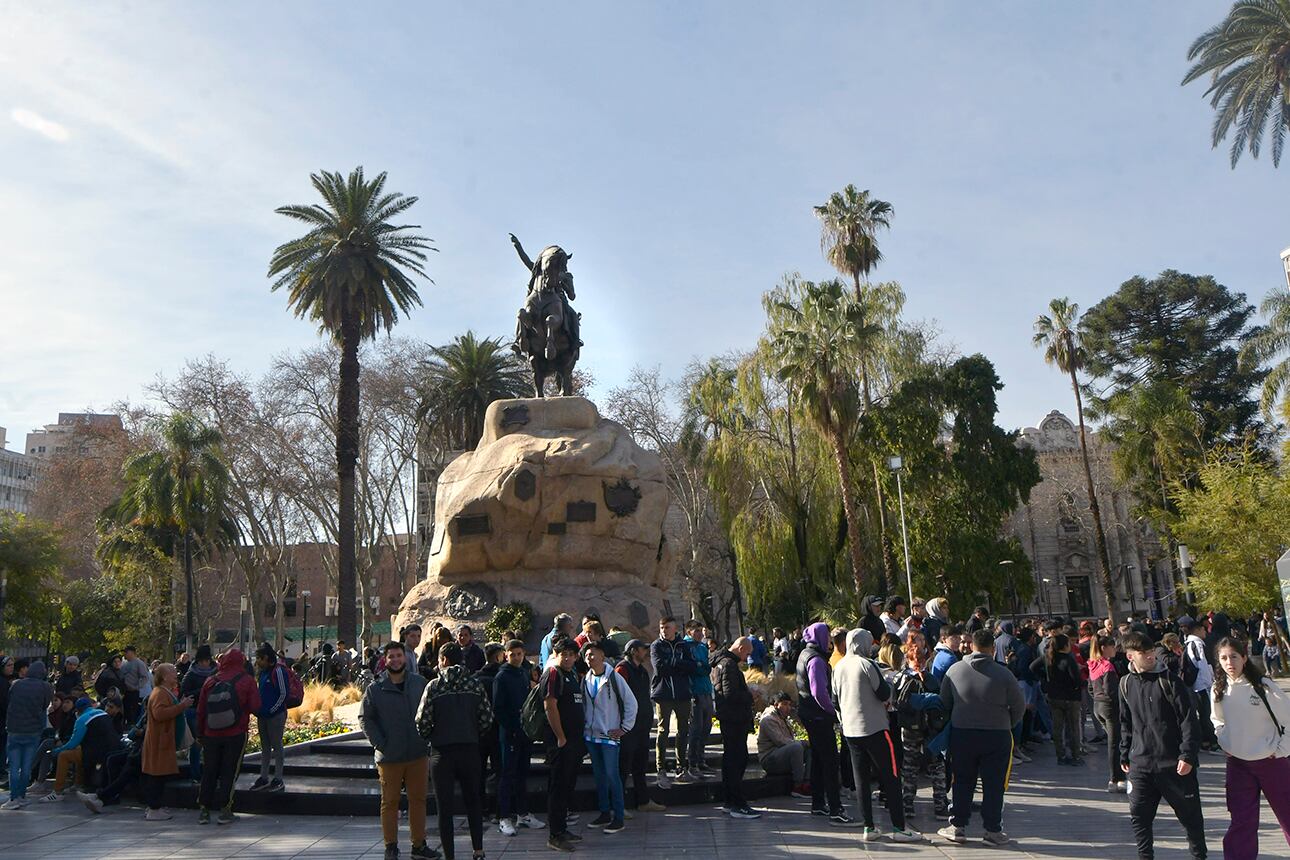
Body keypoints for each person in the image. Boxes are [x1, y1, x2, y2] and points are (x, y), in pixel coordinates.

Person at [1119, 632, 1206, 860]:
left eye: (1151, 652)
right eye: (1143, 653)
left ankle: (1199, 856)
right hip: (1141, 764)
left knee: (1191, 818)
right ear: (1130, 656)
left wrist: (1187, 755)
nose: (1150, 657)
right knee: (1139, 816)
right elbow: (1125, 722)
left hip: (1174, 764)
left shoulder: (1169, 681)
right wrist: (1124, 753)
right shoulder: (1125, 683)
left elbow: (1189, 720)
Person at [936, 629, 1025, 847]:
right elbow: (1019, 705)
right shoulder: (1004, 674)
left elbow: (944, 703)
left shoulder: (954, 671)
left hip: (962, 733)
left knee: (962, 781)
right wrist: (1007, 723)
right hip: (997, 735)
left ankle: (958, 826)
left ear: (971, 646)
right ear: (992, 649)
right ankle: (993, 830)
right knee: (994, 783)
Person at [834, 628, 921, 841]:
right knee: (891, 775)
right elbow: (883, 692)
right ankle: (899, 828)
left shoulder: (838, 667)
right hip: (874, 727)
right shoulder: (867, 664)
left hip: (851, 730)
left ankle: (869, 827)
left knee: (861, 779)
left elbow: (835, 700)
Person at [1211, 636, 1290, 858]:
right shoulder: (1218, 688)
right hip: (1238, 764)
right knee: (1241, 822)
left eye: (1234, 657)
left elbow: (1288, 719)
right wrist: (1225, 741)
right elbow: (1217, 720)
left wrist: (1280, 749)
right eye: (1224, 658)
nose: (1229, 662)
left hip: (1271, 762)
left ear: (1244, 657)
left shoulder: (1264, 686)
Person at [359, 641, 437, 860]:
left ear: (406, 658)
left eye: (399, 656)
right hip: (389, 755)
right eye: (391, 656)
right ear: (385, 660)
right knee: (390, 802)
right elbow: (365, 718)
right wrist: (380, 743)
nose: (395, 660)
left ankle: (419, 845)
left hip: (417, 753)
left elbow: (431, 710)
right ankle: (390, 845)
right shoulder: (375, 688)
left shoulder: (419, 683)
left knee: (418, 800)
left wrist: (427, 737)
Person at [417, 641, 491, 860]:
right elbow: (487, 718)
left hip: (442, 753)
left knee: (445, 808)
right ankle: (478, 850)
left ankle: (450, 855)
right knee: (473, 802)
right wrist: (473, 734)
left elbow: (421, 721)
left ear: (444, 660)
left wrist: (433, 736)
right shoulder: (475, 685)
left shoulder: (434, 686)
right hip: (469, 750)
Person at [195, 647, 260, 824]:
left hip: (211, 733)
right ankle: (225, 810)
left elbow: (201, 711)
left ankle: (204, 810)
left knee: (209, 770)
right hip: (235, 733)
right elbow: (255, 706)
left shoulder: (210, 681)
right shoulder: (247, 681)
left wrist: (200, 734)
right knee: (229, 771)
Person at [579, 640, 635, 834]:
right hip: (592, 735)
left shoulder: (614, 677)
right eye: (587, 654)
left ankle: (618, 816)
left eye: (593, 654)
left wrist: (624, 727)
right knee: (599, 776)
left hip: (610, 735)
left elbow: (630, 702)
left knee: (612, 775)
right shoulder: (586, 678)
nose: (589, 657)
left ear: (602, 655)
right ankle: (604, 812)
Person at [493, 640, 544, 837]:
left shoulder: (523, 673)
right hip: (510, 734)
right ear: (506, 655)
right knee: (508, 775)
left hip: (525, 733)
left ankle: (523, 813)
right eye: (512, 654)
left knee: (523, 773)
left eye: (519, 654)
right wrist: (512, 728)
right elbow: (498, 708)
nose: (516, 657)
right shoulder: (502, 676)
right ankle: (504, 816)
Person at [895, 632, 948, 819]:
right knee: (936, 765)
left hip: (910, 728)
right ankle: (940, 805)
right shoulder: (928, 678)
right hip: (930, 727)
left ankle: (907, 803)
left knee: (910, 765)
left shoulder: (902, 678)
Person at [542, 637, 585, 853]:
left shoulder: (571, 674)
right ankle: (555, 834)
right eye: (563, 654)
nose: (567, 658)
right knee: (558, 787)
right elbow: (550, 706)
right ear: (556, 655)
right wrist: (560, 736)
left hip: (575, 741)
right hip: (561, 741)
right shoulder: (553, 674)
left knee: (567, 785)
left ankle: (562, 828)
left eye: (571, 654)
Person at [797, 621, 843, 821]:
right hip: (818, 716)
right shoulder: (816, 660)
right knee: (830, 761)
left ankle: (818, 804)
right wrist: (833, 712)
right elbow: (819, 692)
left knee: (817, 759)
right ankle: (835, 808)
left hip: (809, 714)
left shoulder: (804, 654)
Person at [616, 639, 665, 815]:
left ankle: (643, 800)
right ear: (633, 651)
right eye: (642, 649)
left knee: (640, 765)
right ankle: (619, 805)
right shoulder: (622, 669)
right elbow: (617, 696)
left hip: (642, 725)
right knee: (623, 766)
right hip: (628, 726)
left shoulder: (642, 671)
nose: (645, 652)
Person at [39, 697, 121, 802]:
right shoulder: (102, 713)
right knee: (79, 750)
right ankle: (78, 784)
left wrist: (57, 751)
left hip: (97, 753)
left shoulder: (82, 720)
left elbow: (72, 743)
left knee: (64, 755)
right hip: (113, 749)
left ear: (77, 710)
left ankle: (57, 792)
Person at [712, 636, 759, 819]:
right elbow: (730, 693)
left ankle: (730, 800)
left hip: (730, 718)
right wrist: (750, 696)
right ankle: (737, 803)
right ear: (740, 648)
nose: (747, 656)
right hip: (734, 719)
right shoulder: (729, 665)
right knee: (736, 759)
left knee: (732, 759)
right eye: (747, 652)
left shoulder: (722, 663)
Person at [140, 663, 193, 821]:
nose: (175, 673)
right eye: (171, 672)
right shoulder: (160, 693)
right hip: (159, 740)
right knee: (157, 775)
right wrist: (182, 706)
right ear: (163, 676)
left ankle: (154, 806)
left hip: (162, 739)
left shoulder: (164, 692)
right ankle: (154, 808)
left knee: (159, 775)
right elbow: (159, 714)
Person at [649, 616, 696, 787]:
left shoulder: (683, 645)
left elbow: (692, 666)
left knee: (683, 730)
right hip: (664, 694)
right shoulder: (656, 646)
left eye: (667, 627)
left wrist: (676, 663)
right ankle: (661, 768)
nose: (664, 630)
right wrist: (679, 665)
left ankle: (681, 767)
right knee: (663, 730)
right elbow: (659, 668)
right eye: (662, 627)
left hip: (683, 694)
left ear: (675, 629)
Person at [3, 660, 50, 809]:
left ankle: (13, 798)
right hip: (33, 730)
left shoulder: (16, 684)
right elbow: (44, 706)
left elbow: (10, 701)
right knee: (26, 766)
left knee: (14, 765)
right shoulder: (45, 687)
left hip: (14, 728)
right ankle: (22, 796)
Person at [1033, 633, 1083, 766]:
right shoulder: (1068, 659)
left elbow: (1032, 667)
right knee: (1073, 728)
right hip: (1070, 697)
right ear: (1065, 645)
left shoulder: (1048, 657)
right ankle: (1075, 755)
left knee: (1057, 727)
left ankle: (1060, 755)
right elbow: (1076, 679)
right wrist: (1080, 685)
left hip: (1054, 696)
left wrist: (1046, 678)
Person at [1088, 632, 1126, 793]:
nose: (1115, 649)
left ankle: (1115, 777)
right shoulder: (1108, 667)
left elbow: (1090, 688)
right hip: (1110, 707)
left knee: (1113, 742)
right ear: (1104, 648)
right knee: (1115, 743)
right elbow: (1111, 691)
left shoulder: (1093, 663)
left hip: (1098, 705)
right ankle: (1116, 778)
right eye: (1112, 646)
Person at [757, 691, 810, 798]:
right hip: (769, 759)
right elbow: (780, 741)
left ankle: (807, 783)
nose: (788, 707)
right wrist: (801, 743)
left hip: (781, 755)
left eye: (789, 704)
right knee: (797, 747)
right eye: (785, 704)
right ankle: (797, 786)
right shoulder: (768, 719)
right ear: (776, 705)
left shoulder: (781, 717)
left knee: (810, 747)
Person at [252, 643, 289, 792]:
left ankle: (278, 777)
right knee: (265, 746)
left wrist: (273, 710)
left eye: (259, 659)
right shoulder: (263, 673)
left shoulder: (278, 671)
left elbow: (283, 693)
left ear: (266, 658)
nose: (257, 662)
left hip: (276, 715)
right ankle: (264, 776)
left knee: (277, 745)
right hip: (263, 715)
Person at [179, 645, 216, 784]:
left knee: (210, 744)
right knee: (197, 742)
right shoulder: (191, 673)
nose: (204, 664)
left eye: (206, 661)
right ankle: (195, 773)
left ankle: (209, 773)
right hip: (194, 710)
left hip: (211, 710)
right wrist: (202, 690)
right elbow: (184, 692)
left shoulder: (215, 671)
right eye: (202, 661)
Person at [683, 620, 715, 780]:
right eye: (696, 631)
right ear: (689, 632)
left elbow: (706, 667)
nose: (700, 633)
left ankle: (701, 758)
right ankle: (692, 762)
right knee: (696, 728)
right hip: (694, 691)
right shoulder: (686, 646)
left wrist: (701, 665)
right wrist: (700, 666)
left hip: (706, 689)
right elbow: (693, 667)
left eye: (701, 630)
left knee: (706, 726)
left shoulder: (702, 647)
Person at [1183, 621, 1219, 753]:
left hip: (1198, 684)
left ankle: (1206, 740)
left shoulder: (1190, 643)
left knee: (1204, 713)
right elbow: (1201, 664)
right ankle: (1211, 741)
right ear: (1197, 630)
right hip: (1201, 685)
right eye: (1203, 630)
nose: (1205, 632)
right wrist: (1209, 682)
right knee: (1207, 713)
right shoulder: (1196, 644)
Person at [120, 646, 149, 724]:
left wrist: (137, 687)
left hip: (133, 692)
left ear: (132, 653)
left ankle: (133, 727)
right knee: (125, 710)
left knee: (133, 712)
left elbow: (145, 677)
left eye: (126, 652)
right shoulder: (124, 663)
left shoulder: (139, 663)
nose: (125, 654)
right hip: (124, 692)